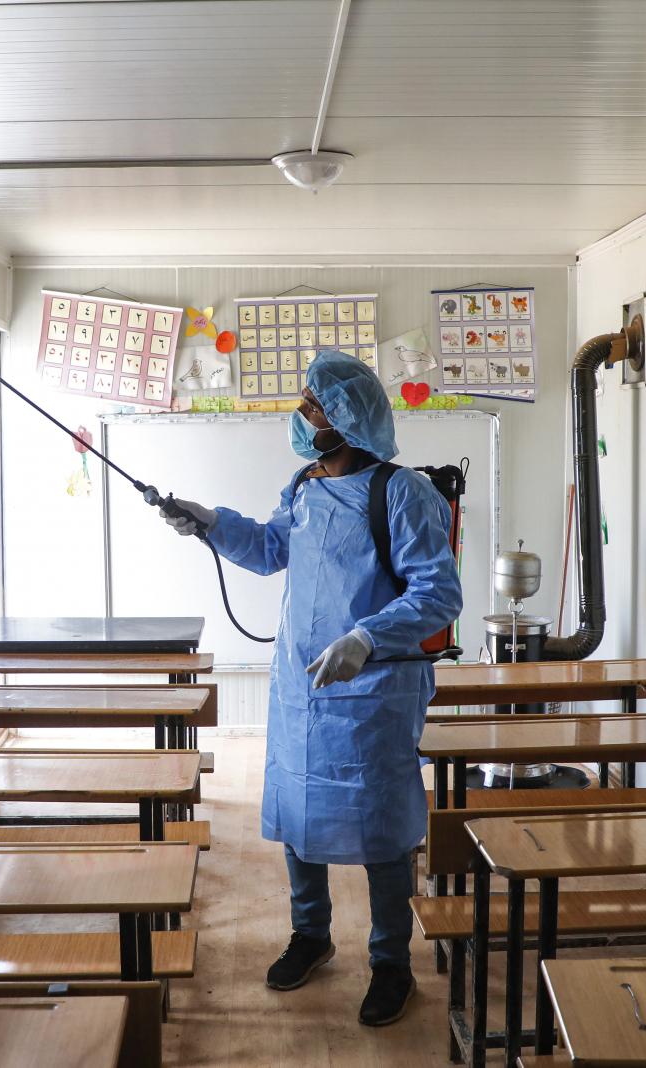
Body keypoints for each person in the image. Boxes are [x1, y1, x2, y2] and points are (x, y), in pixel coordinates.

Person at [158, 350, 462, 1027]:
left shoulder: (402, 493)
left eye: (312, 406)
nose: (301, 416)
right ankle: (312, 935)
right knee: (298, 813)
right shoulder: (304, 485)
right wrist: (209, 524)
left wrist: (367, 638)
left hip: (375, 690)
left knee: (381, 830)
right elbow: (270, 549)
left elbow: (440, 592)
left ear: (346, 419)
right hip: (302, 687)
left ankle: (391, 964)